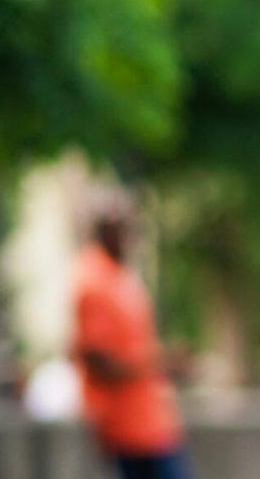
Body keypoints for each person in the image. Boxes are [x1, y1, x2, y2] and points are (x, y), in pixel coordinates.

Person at [71, 193, 192, 479]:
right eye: (125, 228)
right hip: (129, 427)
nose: (132, 236)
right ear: (106, 230)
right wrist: (158, 363)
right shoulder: (93, 278)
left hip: (152, 422)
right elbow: (96, 359)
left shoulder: (119, 275)